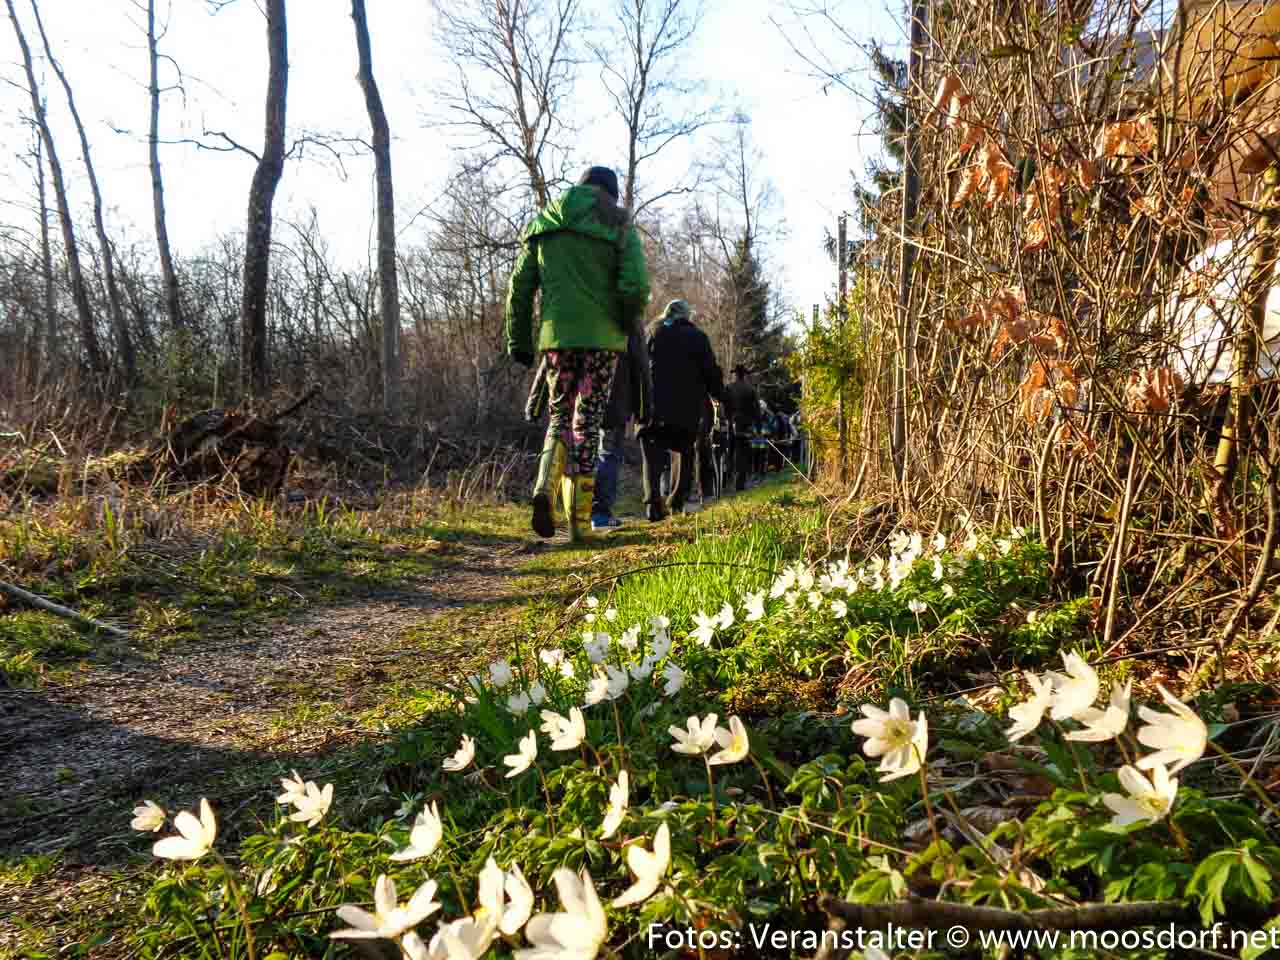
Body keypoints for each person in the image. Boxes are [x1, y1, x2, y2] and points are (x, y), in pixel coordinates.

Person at [505, 165, 650, 543]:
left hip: (557, 340)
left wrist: (518, 340)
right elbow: (636, 285)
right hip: (603, 343)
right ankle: (579, 526)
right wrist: (622, 320)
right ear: (611, 194)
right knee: (587, 422)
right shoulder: (617, 224)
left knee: (559, 417)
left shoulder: (545, 222)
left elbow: (519, 288)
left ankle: (543, 487)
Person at [639, 299, 724, 520]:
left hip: (651, 406)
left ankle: (652, 504)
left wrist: (633, 400)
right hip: (685, 409)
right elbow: (711, 372)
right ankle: (676, 502)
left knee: (651, 455)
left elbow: (637, 365)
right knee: (683, 452)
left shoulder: (650, 332)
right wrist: (721, 396)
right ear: (687, 316)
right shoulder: (698, 337)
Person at [591, 330, 649, 531]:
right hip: (614, 401)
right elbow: (641, 368)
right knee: (609, 454)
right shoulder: (628, 321)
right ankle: (600, 514)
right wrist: (643, 409)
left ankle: (578, 510)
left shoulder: (588, 307)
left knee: (583, 453)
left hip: (583, 394)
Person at [723, 364, 759, 492]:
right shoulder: (751, 389)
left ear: (735, 374)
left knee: (731, 453)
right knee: (743, 454)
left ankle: (728, 482)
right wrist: (757, 427)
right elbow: (757, 411)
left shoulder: (728, 388)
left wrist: (727, 420)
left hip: (732, 425)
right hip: (746, 426)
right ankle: (740, 483)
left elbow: (725, 407)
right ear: (744, 374)